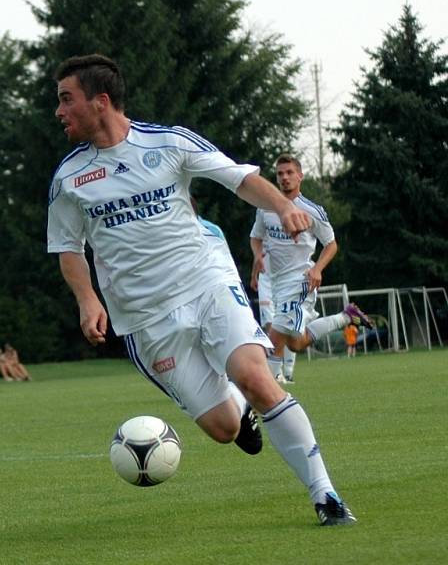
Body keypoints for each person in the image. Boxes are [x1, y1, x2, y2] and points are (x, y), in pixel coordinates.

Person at [47, 54, 355, 525]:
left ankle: (325, 494)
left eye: (67, 99)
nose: (59, 111)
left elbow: (240, 178)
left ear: (101, 101)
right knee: (223, 428)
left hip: (205, 281)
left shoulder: (168, 143)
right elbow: (68, 248)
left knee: (257, 377)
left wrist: (283, 207)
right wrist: (87, 299)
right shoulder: (69, 178)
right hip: (143, 319)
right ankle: (239, 412)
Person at [249, 154, 373, 383]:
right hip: (277, 282)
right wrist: (257, 256)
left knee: (275, 337)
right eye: (280, 174)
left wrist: (317, 269)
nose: (284, 177)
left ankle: (269, 393)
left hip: (301, 281)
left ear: (300, 176)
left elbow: (331, 244)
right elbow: (256, 237)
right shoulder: (265, 207)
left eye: (289, 173)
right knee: (295, 343)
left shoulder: (311, 210)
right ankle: (345, 317)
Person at [256, 263, 298, 383]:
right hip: (265, 281)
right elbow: (258, 251)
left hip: (285, 280)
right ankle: (276, 373)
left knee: (288, 326)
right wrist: (254, 274)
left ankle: (289, 373)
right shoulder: (259, 243)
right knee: (271, 328)